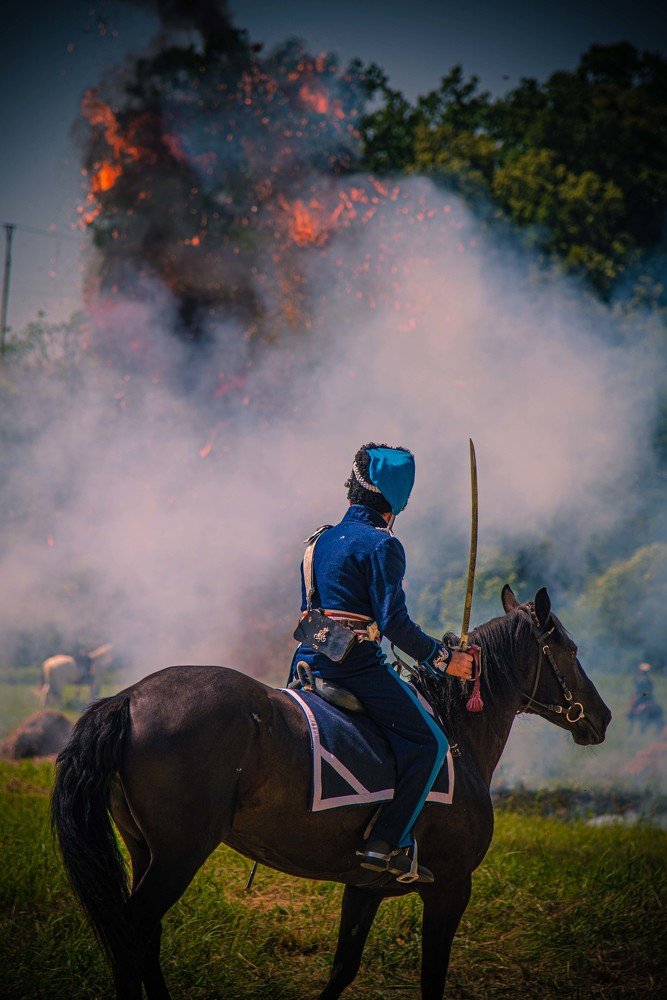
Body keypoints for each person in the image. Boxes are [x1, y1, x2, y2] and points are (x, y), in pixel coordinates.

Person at [290, 443, 473, 883]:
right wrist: (445, 659)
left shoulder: (318, 540)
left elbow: (308, 611)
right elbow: (394, 625)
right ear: (398, 501)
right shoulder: (383, 545)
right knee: (429, 745)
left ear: (354, 488)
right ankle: (386, 843)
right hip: (355, 667)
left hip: (305, 663)